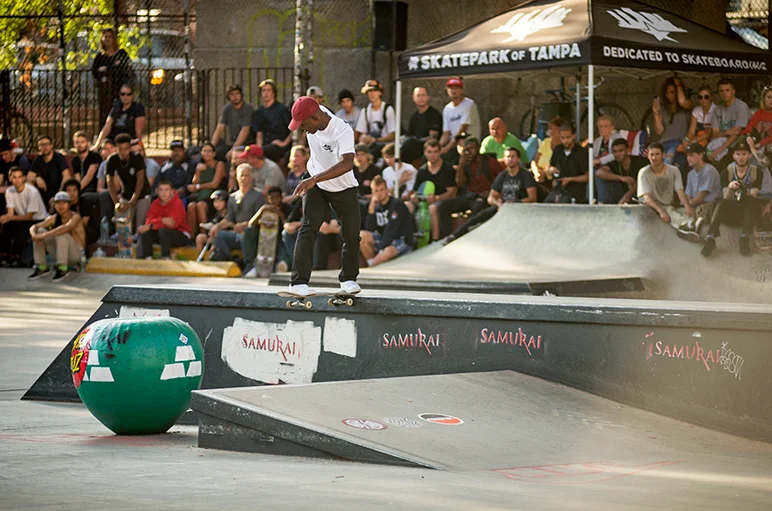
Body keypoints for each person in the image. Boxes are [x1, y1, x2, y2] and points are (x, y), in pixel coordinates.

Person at [286, 96, 362, 296]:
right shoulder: (314, 110)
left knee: (351, 235)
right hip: (315, 180)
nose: (303, 130)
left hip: (342, 187)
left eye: (303, 125)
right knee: (309, 226)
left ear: (315, 117)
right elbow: (306, 100)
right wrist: (314, 179)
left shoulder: (342, 130)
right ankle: (298, 282)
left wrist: (315, 179)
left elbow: (347, 164)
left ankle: (348, 280)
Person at [443, 146, 536, 244]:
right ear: (504, 159)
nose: (510, 159)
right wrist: (498, 204)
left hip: (520, 209)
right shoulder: (503, 175)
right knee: (480, 216)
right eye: (507, 157)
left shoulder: (526, 175)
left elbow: (532, 198)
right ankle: (454, 236)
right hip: (503, 207)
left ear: (518, 159)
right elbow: (491, 198)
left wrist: (515, 202)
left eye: (513, 157)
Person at [702, 141, 766, 257]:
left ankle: (745, 237)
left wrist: (742, 190)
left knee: (752, 202)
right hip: (729, 212)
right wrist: (730, 188)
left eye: (744, 154)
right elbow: (725, 195)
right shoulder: (727, 172)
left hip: (745, 213)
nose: (741, 157)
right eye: (738, 154)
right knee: (721, 201)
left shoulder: (756, 172)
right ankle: (710, 238)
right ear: (733, 156)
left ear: (749, 155)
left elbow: (754, 194)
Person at [438, 136, 502, 237]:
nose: (469, 152)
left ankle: (468, 236)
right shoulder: (465, 163)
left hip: (484, 197)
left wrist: (492, 191)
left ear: (478, 148)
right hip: (469, 196)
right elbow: (460, 183)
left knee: (477, 208)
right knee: (442, 207)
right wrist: (461, 165)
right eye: (466, 149)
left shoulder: (489, 162)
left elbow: (502, 178)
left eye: (472, 148)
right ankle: (445, 236)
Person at [209, 164, 264, 272]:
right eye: (241, 175)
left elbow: (261, 218)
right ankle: (232, 260)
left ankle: (250, 265)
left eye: (247, 175)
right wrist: (217, 226)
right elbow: (229, 218)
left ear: (251, 177)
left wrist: (244, 225)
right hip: (236, 233)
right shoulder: (232, 197)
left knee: (246, 233)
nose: (243, 178)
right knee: (216, 234)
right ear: (237, 177)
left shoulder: (258, 195)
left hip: (251, 232)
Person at [637, 142, 695, 234]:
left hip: (667, 204)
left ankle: (687, 227)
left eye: (657, 154)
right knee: (668, 211)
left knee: (683, 211)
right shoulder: (643, 172)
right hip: (650, 205)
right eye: (651, 155)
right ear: (648, 156)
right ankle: (685, 225)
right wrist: (660, 211)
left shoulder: (674, 170)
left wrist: (687, 206)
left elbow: (680, 191)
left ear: (663, 155)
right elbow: (646, 198)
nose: (654, 158)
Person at [28, 191, 85, 281]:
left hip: (76, 254)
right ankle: (42, 267)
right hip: (61, 253)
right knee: (40, 231)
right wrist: (35, 235)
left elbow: (67, 227)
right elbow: (34, 226)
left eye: (64, 202)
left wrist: (43, 235)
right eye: (58, 203)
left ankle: (62, 269)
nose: (61, 205)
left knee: (60, 233)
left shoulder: (75, 217)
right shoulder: (53, 218)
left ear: (69, 204)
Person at [409, 138, 457, 241]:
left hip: (443, 201)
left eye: (435, 152)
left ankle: (435, 240)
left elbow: (452, 192)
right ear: (425, 153)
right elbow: (415, 192)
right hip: (424, 201)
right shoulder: (422, 171)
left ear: (440, 152)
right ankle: (410, 238)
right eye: (429, 152)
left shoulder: (447, 169)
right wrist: (414, 197)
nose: (432, 155)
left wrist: (437, 198)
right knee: (408, 205)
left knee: (433, 208)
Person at [360, 176, 414, 267]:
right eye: (376, 191)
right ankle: (372, 263)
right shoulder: (375, 206)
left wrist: (382, 250)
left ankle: (372, 267)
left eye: (382, 190)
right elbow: (370, 228)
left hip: (400, 239)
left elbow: (391, 230)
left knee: (387, 251)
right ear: (372, 192)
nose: (379, 193)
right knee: (361, 236)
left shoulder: (397, 205)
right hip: (384, 238)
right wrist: (371, 208)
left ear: (387, 190)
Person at [1, 167, 48, 266]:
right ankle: (4, 256)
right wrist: (5, 218)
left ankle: (17, 257)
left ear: (24, 178)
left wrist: (8, 217)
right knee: (7, 225)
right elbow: (10, 214)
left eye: (19, 177)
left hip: (39, 220)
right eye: (14, 177)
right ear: (9, 179)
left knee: (20, 228)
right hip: (22, 218)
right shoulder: (9, 191)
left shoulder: (32, 192)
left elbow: (29, 217)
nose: (17, 180)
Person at [136, 179, 191, 259]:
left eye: (166, 190)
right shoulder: (155, 203)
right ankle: (147, 259)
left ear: (172, 191)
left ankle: (165, 258)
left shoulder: (177, 203)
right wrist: (162, 220)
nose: (164, 193)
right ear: (157, 191)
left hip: (181, 234)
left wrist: (154, 223)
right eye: (161, 190)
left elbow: (172, 224)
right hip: (161, 234)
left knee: (163, 231)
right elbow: (148, 221)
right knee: (145, 231)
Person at [105, 133, 151, 228]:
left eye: (126, 149)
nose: (123, 152)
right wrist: (116, 202)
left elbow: (140, 180)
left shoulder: (137, 157)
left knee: (140, 225)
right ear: (115, 149)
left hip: (142, 194)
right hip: (126, 193)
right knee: (122, 224)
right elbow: (109, 181)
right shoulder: (112, 159)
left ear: (130, 148)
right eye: (120, 149)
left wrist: (133, 201)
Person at [243, 186, 289, 277]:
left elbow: (288, 225)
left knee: (283, 242)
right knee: (249, 232)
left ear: (281, 198)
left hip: (279, 237)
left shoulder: (286, 208)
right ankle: (253, 266)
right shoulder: (264, 207)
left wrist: (281, 214)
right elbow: (251, 224)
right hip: (263, 237)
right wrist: (261, 211)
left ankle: (282, 265)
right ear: (267, 198)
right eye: (271, 198)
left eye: (277, 198)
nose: (274, 201)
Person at [91, 28, 133, 125]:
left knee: (121, 111)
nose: (107, 39)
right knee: (105, 114)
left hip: (120, 88)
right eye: (105, 37)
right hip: (105, 90)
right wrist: (113, 66)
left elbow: (124, 68)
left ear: (114, 39)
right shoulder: (100, 57)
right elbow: (95, 72)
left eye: (110, 37)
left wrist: (107, 69)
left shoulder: (121, 53)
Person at [707, 78, 751, 168]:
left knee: (723, 165)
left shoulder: (741, 107)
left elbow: (736, 134)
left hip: (738, 146)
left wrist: (718, 151)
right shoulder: (717, 110)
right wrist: (727, 132)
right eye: (721, 91)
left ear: (733, 91)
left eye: (727, 90)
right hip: (720, 143)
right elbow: (714, 134)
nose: (724, 93)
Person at [649, 77, 691, 168]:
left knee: (667, 163)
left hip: (678, 142)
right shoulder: (663, 109)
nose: (670, 96)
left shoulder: (686, 106)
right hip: (663, 143)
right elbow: (659, 131)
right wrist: (656, 114)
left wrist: (678, 85)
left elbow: (682, 102)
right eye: (667, 93)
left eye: (672, 92)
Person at [681, 144, 721, 239]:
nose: (688, 158)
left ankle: (693, 227)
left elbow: (700, 197)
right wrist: (687, 205)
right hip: (696, 205)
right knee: (683, 211)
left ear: (701, 155)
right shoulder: (690, 174)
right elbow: (688, 196)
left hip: (711, 205)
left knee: (700, 209)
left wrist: (687, 205)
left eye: (692, 155)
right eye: (687, 156)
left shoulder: (709, 170)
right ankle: (689, 226)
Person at [186, 141, 225, 235]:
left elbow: (214, 184)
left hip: (214, 196)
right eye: (204, 151)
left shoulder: (219, 164)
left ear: (214, 153)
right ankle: (191, 235)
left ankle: (203, 234)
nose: (206, 153)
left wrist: (199, 186)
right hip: (201, 195)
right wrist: (198, 171)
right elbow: (194, 182)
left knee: (200, 205)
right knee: (191, 206)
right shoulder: (199, 165)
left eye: (209, 151)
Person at [92, 83, 146, 151]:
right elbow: (107, 126)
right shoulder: (116, 107)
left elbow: (139, 131)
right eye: (122, 94)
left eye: (128, 94)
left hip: (129, 141)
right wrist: (97, 144)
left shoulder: (137, 108)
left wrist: (140, 146)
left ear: (133, 95)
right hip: (113, 140)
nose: (125, 97)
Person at [595, 138, 648, 204]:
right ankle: (605, 205)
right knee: (600, 177)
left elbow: (642, 182)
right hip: (621, 195)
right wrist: (621, 178)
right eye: (615, 151)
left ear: (628, 150)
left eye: (620, 151)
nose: (618, 154)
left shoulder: (640, 161)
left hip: (640, 196)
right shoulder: (614, 163)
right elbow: (599, 173)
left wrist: (627, 196)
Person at [251, 79, 292, 163]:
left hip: (279, 144)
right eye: (263, 90)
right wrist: (258, 149)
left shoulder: (282, 109)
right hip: (265, 144)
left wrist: (284, 143)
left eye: (269, 90)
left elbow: (293, 129)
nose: (266, 93)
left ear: (273, 92)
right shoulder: (258, 112)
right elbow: (259, 134)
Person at [545, 124, 588, 203]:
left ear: (574, 136)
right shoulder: (557, 150)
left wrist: (570, 179)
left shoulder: (581, 152)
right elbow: (550, 167)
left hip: (575, 192)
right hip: (558, 190)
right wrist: (550, 170)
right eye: (562, 138)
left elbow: (587, 177)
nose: (565, 141)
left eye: (568, 137)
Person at [211, 84, 254, 163]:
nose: (235, 96)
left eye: (237, 93)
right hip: (233, 143)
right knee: (214, 154)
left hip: (247, 144)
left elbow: (245, 130)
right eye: (232, 94)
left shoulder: (247, 109)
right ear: (228, 97)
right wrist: (211, 148)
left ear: (241, 95)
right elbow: (220, 128)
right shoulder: (227, 108)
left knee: (232, 156)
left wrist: (233, 149)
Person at [439, 77, 481, 156]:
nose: (453, 91)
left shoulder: (469, 104)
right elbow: (446, 133)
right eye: (451, 88)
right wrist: (438, 147)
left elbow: (463, 128)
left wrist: (447, 148)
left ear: (462, 90)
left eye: (456, 88)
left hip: (469, 145)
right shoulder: (447, 109)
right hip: (454, 146)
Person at [355, 79, 395, 158]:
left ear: (380, 92)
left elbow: (392, 135)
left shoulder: (388, 109)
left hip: (387, 147)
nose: (372, 94)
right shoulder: (365, 111)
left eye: (375, 90)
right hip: (370, 147)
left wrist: (376, 140)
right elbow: (361, 134)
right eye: (369, 91)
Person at [28, 135, 69, 205]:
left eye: (46, 144)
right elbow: (29, 178)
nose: (45, 147)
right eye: (41, 145)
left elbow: (66, 177)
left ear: (51, 145)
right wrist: (36, 178)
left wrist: (58, 196)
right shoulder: (38, 160)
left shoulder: (59, 158)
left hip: (58, 192)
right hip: (42, 193)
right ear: (39, 147)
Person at [63, 178, 100, 250]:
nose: (72, 193)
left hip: (87, 231)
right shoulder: (64, 204)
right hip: (68, 229)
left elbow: (84, 223)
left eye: (74, 190)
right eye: (69, 191)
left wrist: (68, 228)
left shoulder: (85, 202)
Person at [681, 85, 715, 150]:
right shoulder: (696, 110)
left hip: (713, 139)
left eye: (706, 97)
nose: (703, 99)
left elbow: (710, 133)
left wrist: (695, 140)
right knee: (682, 148)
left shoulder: (716, 110)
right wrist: (686, 139)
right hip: (701, 138)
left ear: (711, 97)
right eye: (700, 97)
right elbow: (691, 130)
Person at [196, 189, 228, 256]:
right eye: (215, 202)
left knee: (214, 244)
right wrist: (204, 225)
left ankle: (210, 259)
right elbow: (212, 224)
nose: (217, 204)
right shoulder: (218, 214)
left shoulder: (229, 214)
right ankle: (200, 259)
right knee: (199, 238)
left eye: (220, 201)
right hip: (214, 236)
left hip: (223, 238)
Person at [70, 131, 102, 195]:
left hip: (94, 189)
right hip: (81, 189)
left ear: (87, 143)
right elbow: (77, 178)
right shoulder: (75, 160)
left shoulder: (94, 156)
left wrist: (77, 190)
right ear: (74, 144)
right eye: (77, 142)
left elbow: (89, 176)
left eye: (82, 142)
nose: (80, 145)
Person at [744, 85, 772, 158]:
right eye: (769, 97)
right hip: (758, 145)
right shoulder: (758, 113)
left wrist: (760, 144)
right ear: (763, 99)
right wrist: (747, 137)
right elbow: (749, 128)